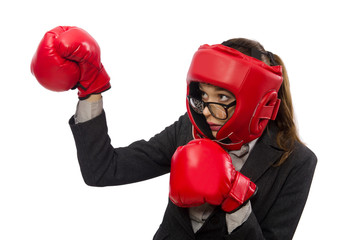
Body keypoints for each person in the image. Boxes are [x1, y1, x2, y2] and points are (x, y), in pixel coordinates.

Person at [31, 26, 317, 240]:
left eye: (223, 98)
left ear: (257, 99)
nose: (206, 111)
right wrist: (90, 91)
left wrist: (235, 201)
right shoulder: (189, 129)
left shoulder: (297, 161)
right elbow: (103, 171)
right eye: (203, 95)